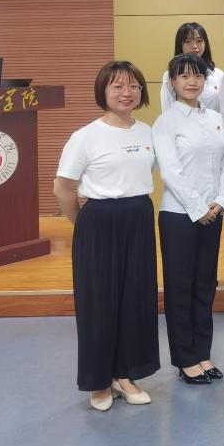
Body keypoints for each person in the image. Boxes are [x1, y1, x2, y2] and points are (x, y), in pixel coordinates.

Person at [54, 60, 159, 411]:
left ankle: (125, 375)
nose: (127, 93)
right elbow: (63, 188)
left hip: (139, 218)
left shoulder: (147, 133)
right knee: (98, 304)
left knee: (135, 300)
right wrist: (84, 224)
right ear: (103, 91)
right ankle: (98, 380)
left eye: (133, 86)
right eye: (118, 86)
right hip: (98, 221)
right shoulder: (84, 137)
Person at [153, 52, 224, 385]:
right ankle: (185, 359)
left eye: (198, 75)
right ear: (172, 82)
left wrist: (220, 202)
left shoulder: (215, 118)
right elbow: (170, 172)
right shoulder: (166, 122)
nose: (192, 82)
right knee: (180, 287)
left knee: (205, 286)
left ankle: (203, 354)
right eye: (184, 76)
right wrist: (199, 208)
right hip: (178, 215)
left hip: (212, 214)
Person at [160, 22, 224, 113]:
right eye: (188, 41)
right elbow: (167, 110)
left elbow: (223, 110)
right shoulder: (171, 74)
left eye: (199, 41)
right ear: (180, 45)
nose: (195, 46)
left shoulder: (218, 74)